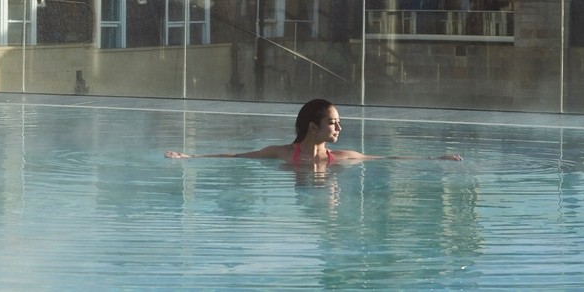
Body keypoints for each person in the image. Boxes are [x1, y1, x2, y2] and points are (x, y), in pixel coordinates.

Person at [164, 99, 462, 163]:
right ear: (312, 127)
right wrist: (190, 155)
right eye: (333, 122)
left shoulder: (343, 156)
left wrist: (435, 159)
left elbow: (385, 158)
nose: (339, 127)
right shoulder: (281, 153)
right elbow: (238, 155)